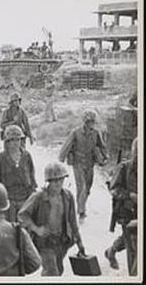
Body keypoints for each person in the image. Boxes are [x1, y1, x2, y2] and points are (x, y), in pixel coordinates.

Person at [18, 161, 86, 276]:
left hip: (62, 241)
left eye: (61, 180)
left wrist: (80, 243)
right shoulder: (38, 197)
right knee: (51, 271)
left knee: (58, 270)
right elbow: (22, 215)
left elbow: (73, 222)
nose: (58, 183)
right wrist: (36, 228)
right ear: (48, 181)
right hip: (45, 242)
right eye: (55, 181)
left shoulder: (67, 196)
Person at [58, 109, 108, 222]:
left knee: (88, 188)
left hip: (90, 163)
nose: (92, 124)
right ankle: (81, 211)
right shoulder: (76, 132)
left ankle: (82, 205)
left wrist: (105, 157)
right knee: (82, 187)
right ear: (85, 121)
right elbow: (67, 145)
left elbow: (102, 146)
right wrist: (61, 158)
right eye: (90, 121)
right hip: (78, 163)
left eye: (93, 121)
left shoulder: (96, 133)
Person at [0, 125, 37, 222]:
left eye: (18, 140)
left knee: (26, 230)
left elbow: (32, 178)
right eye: (12, 140)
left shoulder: (26, 156)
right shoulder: (0, 159)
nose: (15, 143)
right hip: (8, 200)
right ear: (7, 142)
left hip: (24, 199)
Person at [104, 138, 137, 275]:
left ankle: (111, 250)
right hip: (127, 212)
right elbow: (114, 189)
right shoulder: (124, 168)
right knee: (134, 249)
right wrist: (130, 195)